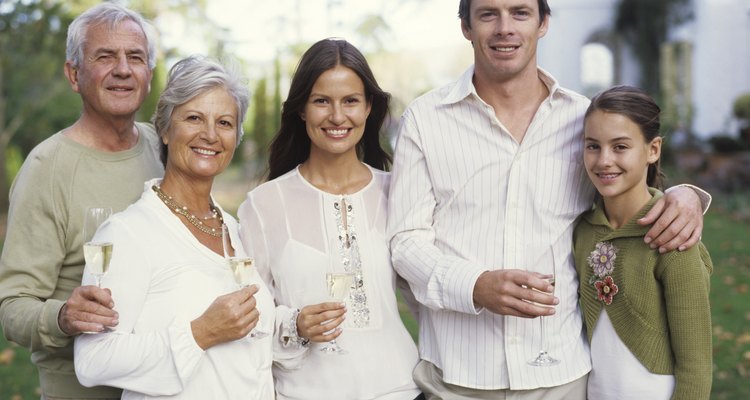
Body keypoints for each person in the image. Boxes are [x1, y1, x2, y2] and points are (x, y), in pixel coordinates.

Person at [386, 0, 711, 398]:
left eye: (520, 12)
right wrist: (475, 285)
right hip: (458, 374)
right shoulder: (426, 119)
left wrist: (686, 194)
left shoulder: (581, 120)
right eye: (488, 14)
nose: (505, 27)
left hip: (563, 377)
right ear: (466, 28)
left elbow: (623, 184)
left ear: (543, 23)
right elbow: (405, 240)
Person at [74, 55, 274, 399]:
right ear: (165, 129)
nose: (210, 134)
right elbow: (93, 360)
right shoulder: (127, 233)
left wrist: (295, 328)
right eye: (194, 118)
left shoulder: (236, 230)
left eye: (224, 123)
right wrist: (200, 333)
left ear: (235, 137)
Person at [237, 38, 421, 400]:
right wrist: (296, 324)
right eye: (322, 101)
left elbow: (426, 299)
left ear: (369, 107)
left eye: (350, 100)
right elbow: (251, 321)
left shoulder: (399, 192)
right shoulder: (262, 206)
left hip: (399, 389)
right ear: (302, 109)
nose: (337, 116)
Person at [0, 3, 162, 398]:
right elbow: (12, 307)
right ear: (74, 74)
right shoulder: (47, 169)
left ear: (148, 74)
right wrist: (63, 316)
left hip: (164, 384)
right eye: (105, 57)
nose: (123, 69)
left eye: (135, 57)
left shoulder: (163, 147)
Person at [574, 85, 712, 399]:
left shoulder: (673, 238)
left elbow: (696, 367)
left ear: (653, 150)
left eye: (620, 147)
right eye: (593, 146)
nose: (604, 160)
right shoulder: (583, 231)